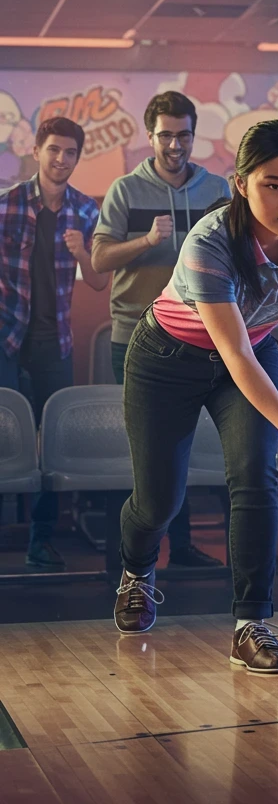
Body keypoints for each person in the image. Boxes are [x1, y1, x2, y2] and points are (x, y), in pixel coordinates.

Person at [113, 119, 278, 674]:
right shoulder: (211, 242)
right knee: (159, 501)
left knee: (255, 476)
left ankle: (252, 624)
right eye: (273, 184)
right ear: (242, 183)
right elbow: (232, 353)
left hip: (253, 348)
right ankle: (137, 571)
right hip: (168, 359)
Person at [92, 91, 229, 569]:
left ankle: (186, 548)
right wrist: (146, 241)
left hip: (200, 338)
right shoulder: (125, 190)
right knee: (144, 452)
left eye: (184, 134)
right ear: (150, 137)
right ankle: (131, 560)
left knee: (186, 448)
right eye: (166, 135)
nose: (176, 144)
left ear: (195, 135)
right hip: (135, 337)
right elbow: (99, 258)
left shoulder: (217, 188)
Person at [0, 117, 109, 571]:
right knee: (4, 441)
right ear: (38, 151)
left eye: (70, 153)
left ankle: (40, 541)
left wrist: (82, 251)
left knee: (49, 445)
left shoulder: (85, 211)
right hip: (6, 339)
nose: (61, 159)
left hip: (54, 343)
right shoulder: (6, 206)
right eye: (53, 150)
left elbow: (101, 282)